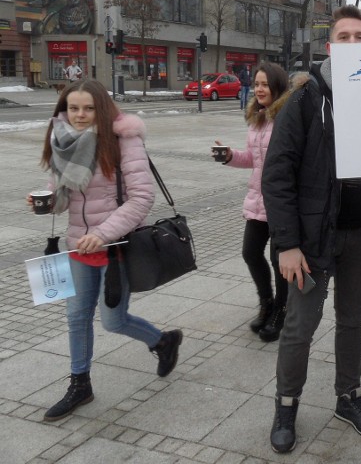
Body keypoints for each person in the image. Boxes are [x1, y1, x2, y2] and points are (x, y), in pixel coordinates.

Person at [261, 5, 361, 454]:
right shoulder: (303, 100)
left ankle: (348, 396)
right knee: (300, 326)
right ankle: (286, 405)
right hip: (312, 241)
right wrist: (287, 245)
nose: (354, 44)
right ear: (330, 46)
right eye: (345, 37)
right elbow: (276, 176)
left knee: (352, 320)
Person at [28, 80, 182, 422]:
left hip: (115, 248)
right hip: (77, 246)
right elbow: (63, 198)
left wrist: (102, 233)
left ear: (102, 108)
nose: (80, 116)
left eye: (88, 108)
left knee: (113, 320)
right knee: (76, 317)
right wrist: (47, 203)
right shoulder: (62, 141)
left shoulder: (124, 140)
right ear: (63, 110)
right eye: (73, 108)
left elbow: (142, 198)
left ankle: (163, 341)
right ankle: (80, 384)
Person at [215, 63, 291, 342]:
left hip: (281, 201)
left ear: (277, 87)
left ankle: (281, 312)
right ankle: (267, 302)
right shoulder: (258, 117)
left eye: (265, 84)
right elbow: (252, 159)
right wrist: (229, 155)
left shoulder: (286, 117)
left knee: (278, 259)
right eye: (256, 84)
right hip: (258, 198)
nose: (259, 89)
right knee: (250, 252)